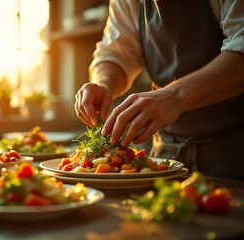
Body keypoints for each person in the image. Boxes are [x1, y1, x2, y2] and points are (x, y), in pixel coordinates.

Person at [74, 0, 244, 180]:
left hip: (235, 151)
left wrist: (173, 96)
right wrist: (103, 84)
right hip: (167, 152)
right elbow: (115, 54)